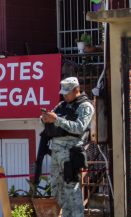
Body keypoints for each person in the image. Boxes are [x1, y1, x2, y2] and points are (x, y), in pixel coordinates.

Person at [41, 77, 94, 217]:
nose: (64, 95)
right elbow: (51, 119)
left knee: (71, 188)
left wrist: (57, 120)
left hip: (70, 151)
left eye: (67, 92)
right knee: (56, 189)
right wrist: (45, 119)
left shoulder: (85, 106)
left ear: (76, 90)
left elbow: (79, 127)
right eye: (63, 92)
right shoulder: (61, 105)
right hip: (56, 151)